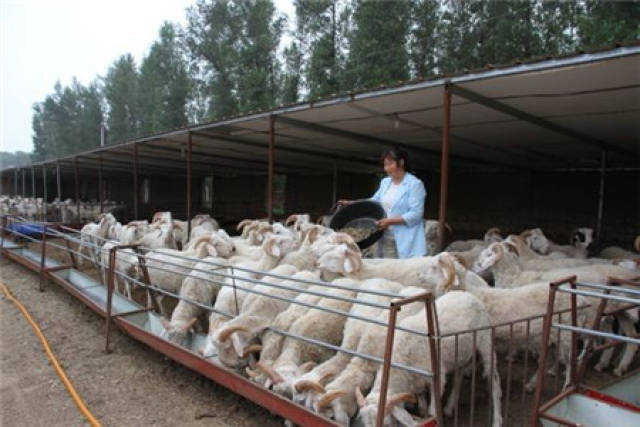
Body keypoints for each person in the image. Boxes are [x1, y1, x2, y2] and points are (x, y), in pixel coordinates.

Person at [339, 147, 427, 258]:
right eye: (385, 165)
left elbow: (416, 214)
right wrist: (352, 203)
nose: (386, 168)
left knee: (405, 271)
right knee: (389, 269)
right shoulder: (386, 182)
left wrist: (390, 221)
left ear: (401, 162)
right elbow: (374, 202)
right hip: (385, 235)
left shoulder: (415, 184)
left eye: (390, 164)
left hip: (407, 238)